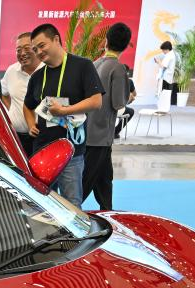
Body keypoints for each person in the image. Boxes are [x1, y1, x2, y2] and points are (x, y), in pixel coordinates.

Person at [23, 23, 103, 208]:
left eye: (42, 45)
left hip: (71, 151)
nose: (39, 52)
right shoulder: (37, 76)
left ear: (56, 39)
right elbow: (28, 106)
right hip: (43, 150)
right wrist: (30, 124)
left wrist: (64, 111)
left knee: (71, 204)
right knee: (41, 204)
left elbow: (96, 101)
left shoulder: (82, 66)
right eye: (35, 49)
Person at [82, 22, 131, 211]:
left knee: (104, 178)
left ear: (106, 41)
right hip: (101, 134)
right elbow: (119, 103)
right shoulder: (118, 69)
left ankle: (107, 210)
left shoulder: (95, 64)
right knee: (86, 181)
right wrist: (129, 96)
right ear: (125, 45)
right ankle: (66, 213)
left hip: (88, 130)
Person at [2, 32, 42, 154]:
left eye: (27, 48)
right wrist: (11, 110)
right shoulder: (11, 71)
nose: (22, 53)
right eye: (18, 50)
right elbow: (3, 93)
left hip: (41, 137)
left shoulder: (47, 71)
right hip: (16, 137)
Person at [115, 65, 136, 138]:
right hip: (117, 109)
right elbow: (134, 94)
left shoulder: (110, 80)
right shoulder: (129, 81)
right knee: (130, 111)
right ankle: (115, 132)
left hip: (104, 109)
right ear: (127, 72)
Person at [154, 41, 177, 105]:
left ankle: (162, 107)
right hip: (167, 77)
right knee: (165, 94)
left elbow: (163, 66)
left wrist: (158, 61)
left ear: (167, 49)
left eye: (163, 50)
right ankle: (163, 106)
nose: (163, 52)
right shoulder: (171, 55)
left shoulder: (169, 56)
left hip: (165, 77)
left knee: (163, 94)